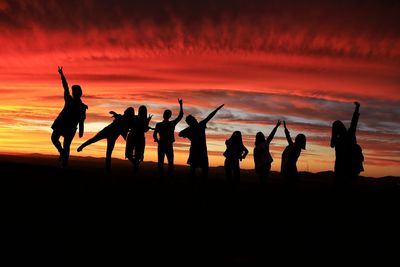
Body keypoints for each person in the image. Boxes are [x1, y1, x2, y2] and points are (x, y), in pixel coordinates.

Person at [51, 66, 88, 168]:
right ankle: (62, 154)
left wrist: (81, 130)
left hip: (68, 127)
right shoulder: (71, 101)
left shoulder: (80, 106)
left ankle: (64, 163)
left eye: (74, 91)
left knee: (64, 144)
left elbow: (81, 120)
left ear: (77, 93)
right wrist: (62, 75)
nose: (72, 92)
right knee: (57, 140)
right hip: (63, 125)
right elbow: (66, 87)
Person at [179, 104, 224, 178]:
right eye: (194, 119)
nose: (196, 119)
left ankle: (194, 180)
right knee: (202, 167)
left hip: (195, 149)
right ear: (193, 120)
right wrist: (216, 110)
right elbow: (209, 117)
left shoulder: (191, 128)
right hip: (201, 149)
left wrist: (188, 136)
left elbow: (180, 134)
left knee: (194, 166)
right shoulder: (200, 125)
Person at [330, 102, 364, 185]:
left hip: (345, 168)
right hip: (346, 168)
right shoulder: (345, 136)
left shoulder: (343, 137)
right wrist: (357, 108)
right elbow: (354, 122)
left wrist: (357, 108)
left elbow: (354, 122)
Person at [153, 99, 184, 177]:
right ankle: (168, 177)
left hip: (162, 144)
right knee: (170, 162)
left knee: (161, 162)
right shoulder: (171, 124)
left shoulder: (159, 124)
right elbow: (180, 116)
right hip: (168, 145)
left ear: (164, 115)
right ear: (169, 116)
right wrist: (181, 105)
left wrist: (157, 140)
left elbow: (154, 135)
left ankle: (161, 177)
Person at [126, 105, 152, 172]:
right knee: (135, 156)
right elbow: (145, 129)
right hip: (138, 138)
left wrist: (147, 121)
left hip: (134, 137)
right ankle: (136, 166)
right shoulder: (137, 118)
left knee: (132, 155)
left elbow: (144, 129)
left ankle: (135, 167)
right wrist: (147, 122)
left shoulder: (135, 118)